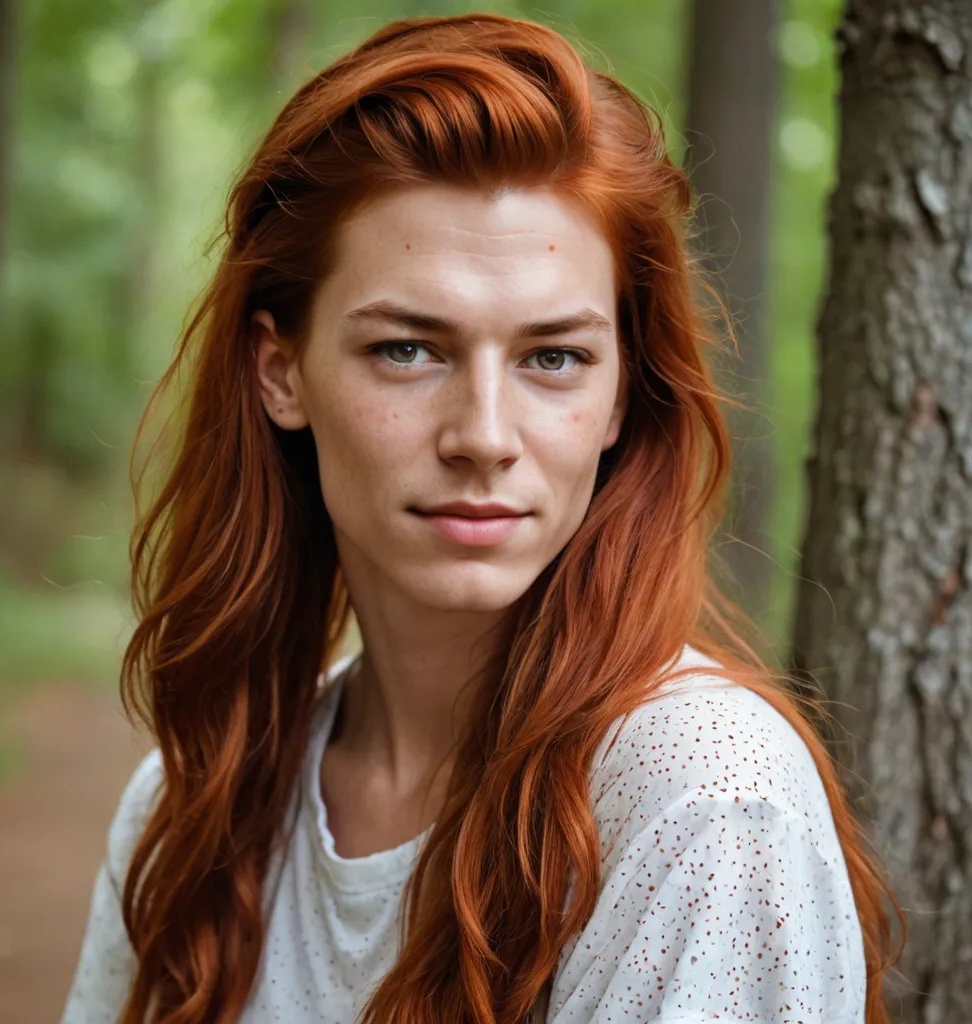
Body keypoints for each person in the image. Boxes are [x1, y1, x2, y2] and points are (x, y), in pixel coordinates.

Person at [60, 12, 905, 1024]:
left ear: (621, 394)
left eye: (553, 357)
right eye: (408, 349)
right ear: (280, 370)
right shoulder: (191, 799)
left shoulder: (700, 794)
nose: (484, 435)